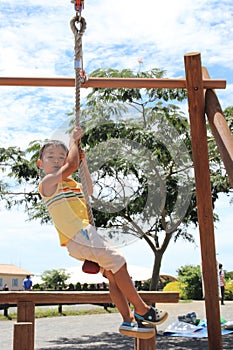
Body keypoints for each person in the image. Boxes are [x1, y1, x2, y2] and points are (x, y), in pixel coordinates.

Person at [37, 126, 168, 335]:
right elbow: (71, 165)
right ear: (40, 164)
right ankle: (142, 309)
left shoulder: (71, 184)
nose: (56, 160)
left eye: (60, 157)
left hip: (83, 237)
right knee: (119, 261)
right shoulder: (47, 183)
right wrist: (73, 141)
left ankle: (128, 320)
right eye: (50, 157)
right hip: (79, 236)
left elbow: (89, 190)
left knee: (113, 274)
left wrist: (84, 162)